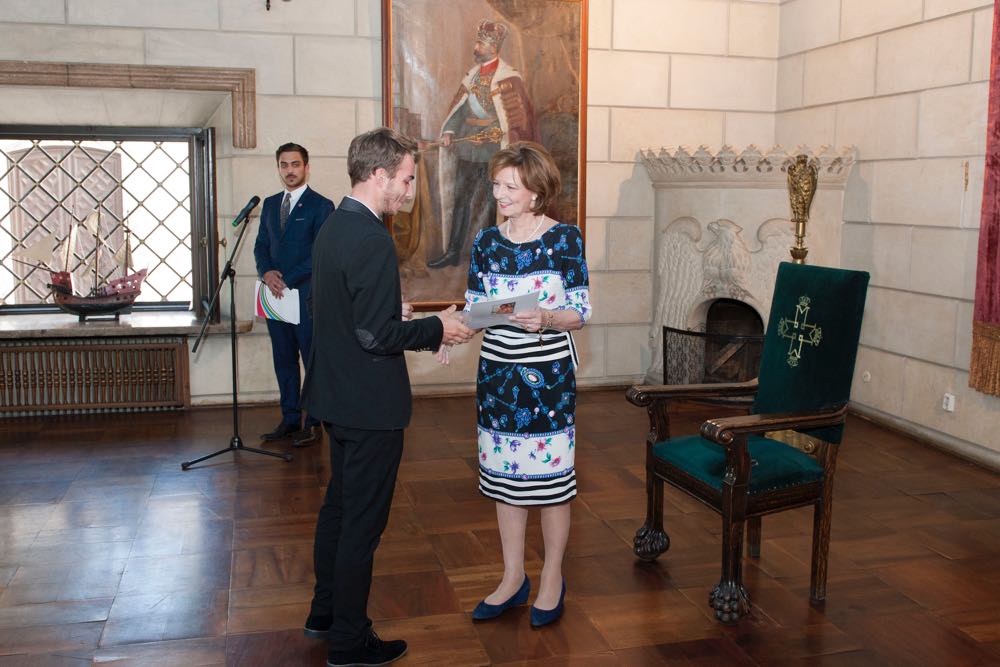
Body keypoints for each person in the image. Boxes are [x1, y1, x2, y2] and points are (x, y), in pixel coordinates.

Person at [299, 127, 474, 667]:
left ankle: (324, 614)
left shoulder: (334, 225)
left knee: (338, 508)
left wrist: (404, 319)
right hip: (370, 405)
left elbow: (354, 317)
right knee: (361, 525)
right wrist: (436, 329)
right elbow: (375, 338)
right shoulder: (372, 238)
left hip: (334, 396)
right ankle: (350, 642)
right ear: (377, 176)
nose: (411, 188)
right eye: (406, 177)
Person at [439, 141, 590, 627]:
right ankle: (511, 577)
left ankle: (551, 578)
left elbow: (581, 313)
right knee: (508, 482)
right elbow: (477, 310)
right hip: (499, 377)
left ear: (536, 193)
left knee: (550, 484)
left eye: (510, 186)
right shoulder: (486, 243)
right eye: (496, 185)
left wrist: (547, 316)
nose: (499, 194)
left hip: (548, 379)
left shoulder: (566, 239)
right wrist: (449, 333)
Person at [426, 18, 536, 269]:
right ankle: (453, 252)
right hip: (467, 149)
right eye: (477, 42)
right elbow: (460, 109)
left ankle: (490, 255)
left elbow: (517, 117)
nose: (475, 47)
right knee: (461, 200)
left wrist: (501, 131)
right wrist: (451, 130)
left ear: (492, 46)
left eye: (480, 43)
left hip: (493, 153)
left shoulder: (510, 78)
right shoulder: (472, 77)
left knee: (492, 204)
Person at [254, 142, 335, 448]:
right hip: (275, 298)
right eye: (284, 165)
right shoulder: (271, 204)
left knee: (312, 360)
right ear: (279, 168)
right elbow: (261, 244)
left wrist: (285, 277)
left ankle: (314, 423)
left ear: (306, 167)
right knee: (283, 360)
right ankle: (290, 420)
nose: (290, 170)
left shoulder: (321, 205)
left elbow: (320, 252)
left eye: (295, 164)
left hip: (306, 297)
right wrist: (266, 273)